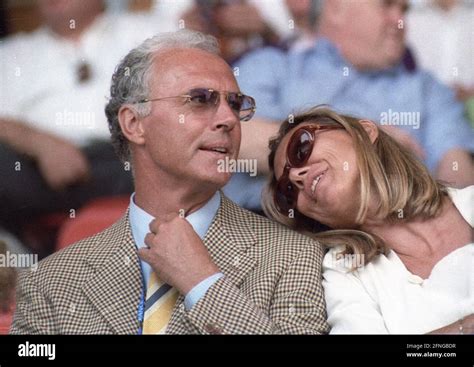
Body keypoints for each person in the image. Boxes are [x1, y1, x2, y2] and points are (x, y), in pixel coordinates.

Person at [10, 30, 329, 335]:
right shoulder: (49, 281)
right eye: (200, 99)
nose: (229, 119)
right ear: (134, 124)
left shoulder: (296, 255)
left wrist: (202, 283)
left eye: (234, 104)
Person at [225, 0, 474, 211]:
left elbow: (458, 175)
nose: (400, 22)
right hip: (267, 230)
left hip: (393, 240)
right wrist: (358, 140)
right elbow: (234, 136)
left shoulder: (427, 88)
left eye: (404, 10)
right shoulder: (272, 66)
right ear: (336, 8)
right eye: (387, 5)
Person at [262, 106, 473, 334]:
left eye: (300, 148)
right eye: (288, 191)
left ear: (365, 131)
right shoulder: (345, 274)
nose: (296, 176)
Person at [0, 0, 174, 245]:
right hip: (42, 173)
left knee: (166, 153)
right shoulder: (11, 54)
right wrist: (41, 145)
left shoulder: (151, 33)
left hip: (128, 156)